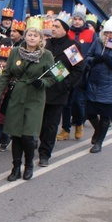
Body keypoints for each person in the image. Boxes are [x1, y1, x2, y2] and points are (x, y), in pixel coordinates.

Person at [0, 16, 55, 181]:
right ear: (25, 36)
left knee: (28, 135)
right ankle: (15, 168)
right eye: (29, 35)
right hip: (17, 96)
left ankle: (29, 164)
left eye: (36, 35)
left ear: (41, 38)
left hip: (35, 98)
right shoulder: (15, 52)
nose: (32, 38)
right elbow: (6, 75)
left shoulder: (46, 55)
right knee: (16, 134)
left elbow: (55, 76)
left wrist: (41, 82)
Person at [38, 12, 84, 167]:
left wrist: (66, 85)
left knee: (51, 125)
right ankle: (36, 146)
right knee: (40, 123)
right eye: (52, 26)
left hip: (58, 92)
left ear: (65, 29)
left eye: (57, 26)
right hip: (42, 89)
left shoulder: (71, 47)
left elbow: (78, 70)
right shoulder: (46, 44)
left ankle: (45, 154)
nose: (53, 29)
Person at [83, 16, 112, 153]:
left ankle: (99, 142)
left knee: (105, 115)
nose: (109, 35)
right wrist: (95, 60)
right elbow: (88, 57)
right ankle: (98, 130)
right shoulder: (98, 42)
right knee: (89, 112)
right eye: (107, 33)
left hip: (110, 84)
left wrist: (111, 63)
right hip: (95, 82)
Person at [59, 4, 95, 141]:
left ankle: (79, 123)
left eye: (80, 19)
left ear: (84, 20)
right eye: (75, 19)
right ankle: (65, 129)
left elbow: (93, 52)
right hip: (67, 70)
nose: (77, 21)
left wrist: (87, 63)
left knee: (78, 102)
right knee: (66, 102)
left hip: (82, 72)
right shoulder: (68, 33)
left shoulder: (90, 34)